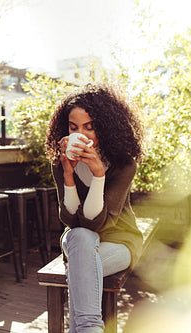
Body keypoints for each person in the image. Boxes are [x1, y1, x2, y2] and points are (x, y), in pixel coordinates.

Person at [45, 82, 144, 333]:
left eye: (90, 126)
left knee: (81, 263)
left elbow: (97, 222)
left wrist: (98, 175)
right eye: (74, 127)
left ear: (106, 126)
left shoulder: (124, 165)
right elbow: (70, 219)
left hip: (120, 242)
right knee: (80, 236)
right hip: (79, 242)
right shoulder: (62, 161)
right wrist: (68, 174)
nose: (83, 134)